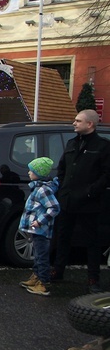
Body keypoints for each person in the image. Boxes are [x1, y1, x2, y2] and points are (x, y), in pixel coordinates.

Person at [51, 109, 110, 293]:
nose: (74, 123)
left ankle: (93, 279)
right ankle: (58, 270)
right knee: (63, 237)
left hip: (89, 203)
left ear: (89, 124)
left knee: (91, 242)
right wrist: (61, 189)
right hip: (67, 201)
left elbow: (107, 175)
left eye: (78, 121)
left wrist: (91, 191)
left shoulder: (103, 146)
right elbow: (62, 169)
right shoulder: (71, 143)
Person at [18, 158, 61, 297]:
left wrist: (40, 221)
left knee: (41, 256)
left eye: (32, 170)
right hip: (35, 229)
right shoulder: (37, 187)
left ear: (39, 173)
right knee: (37, 254)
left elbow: (54, 208)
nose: (29, 172)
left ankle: (43, 283)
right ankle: (36, 276)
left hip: (41, 229)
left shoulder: (43, 190)